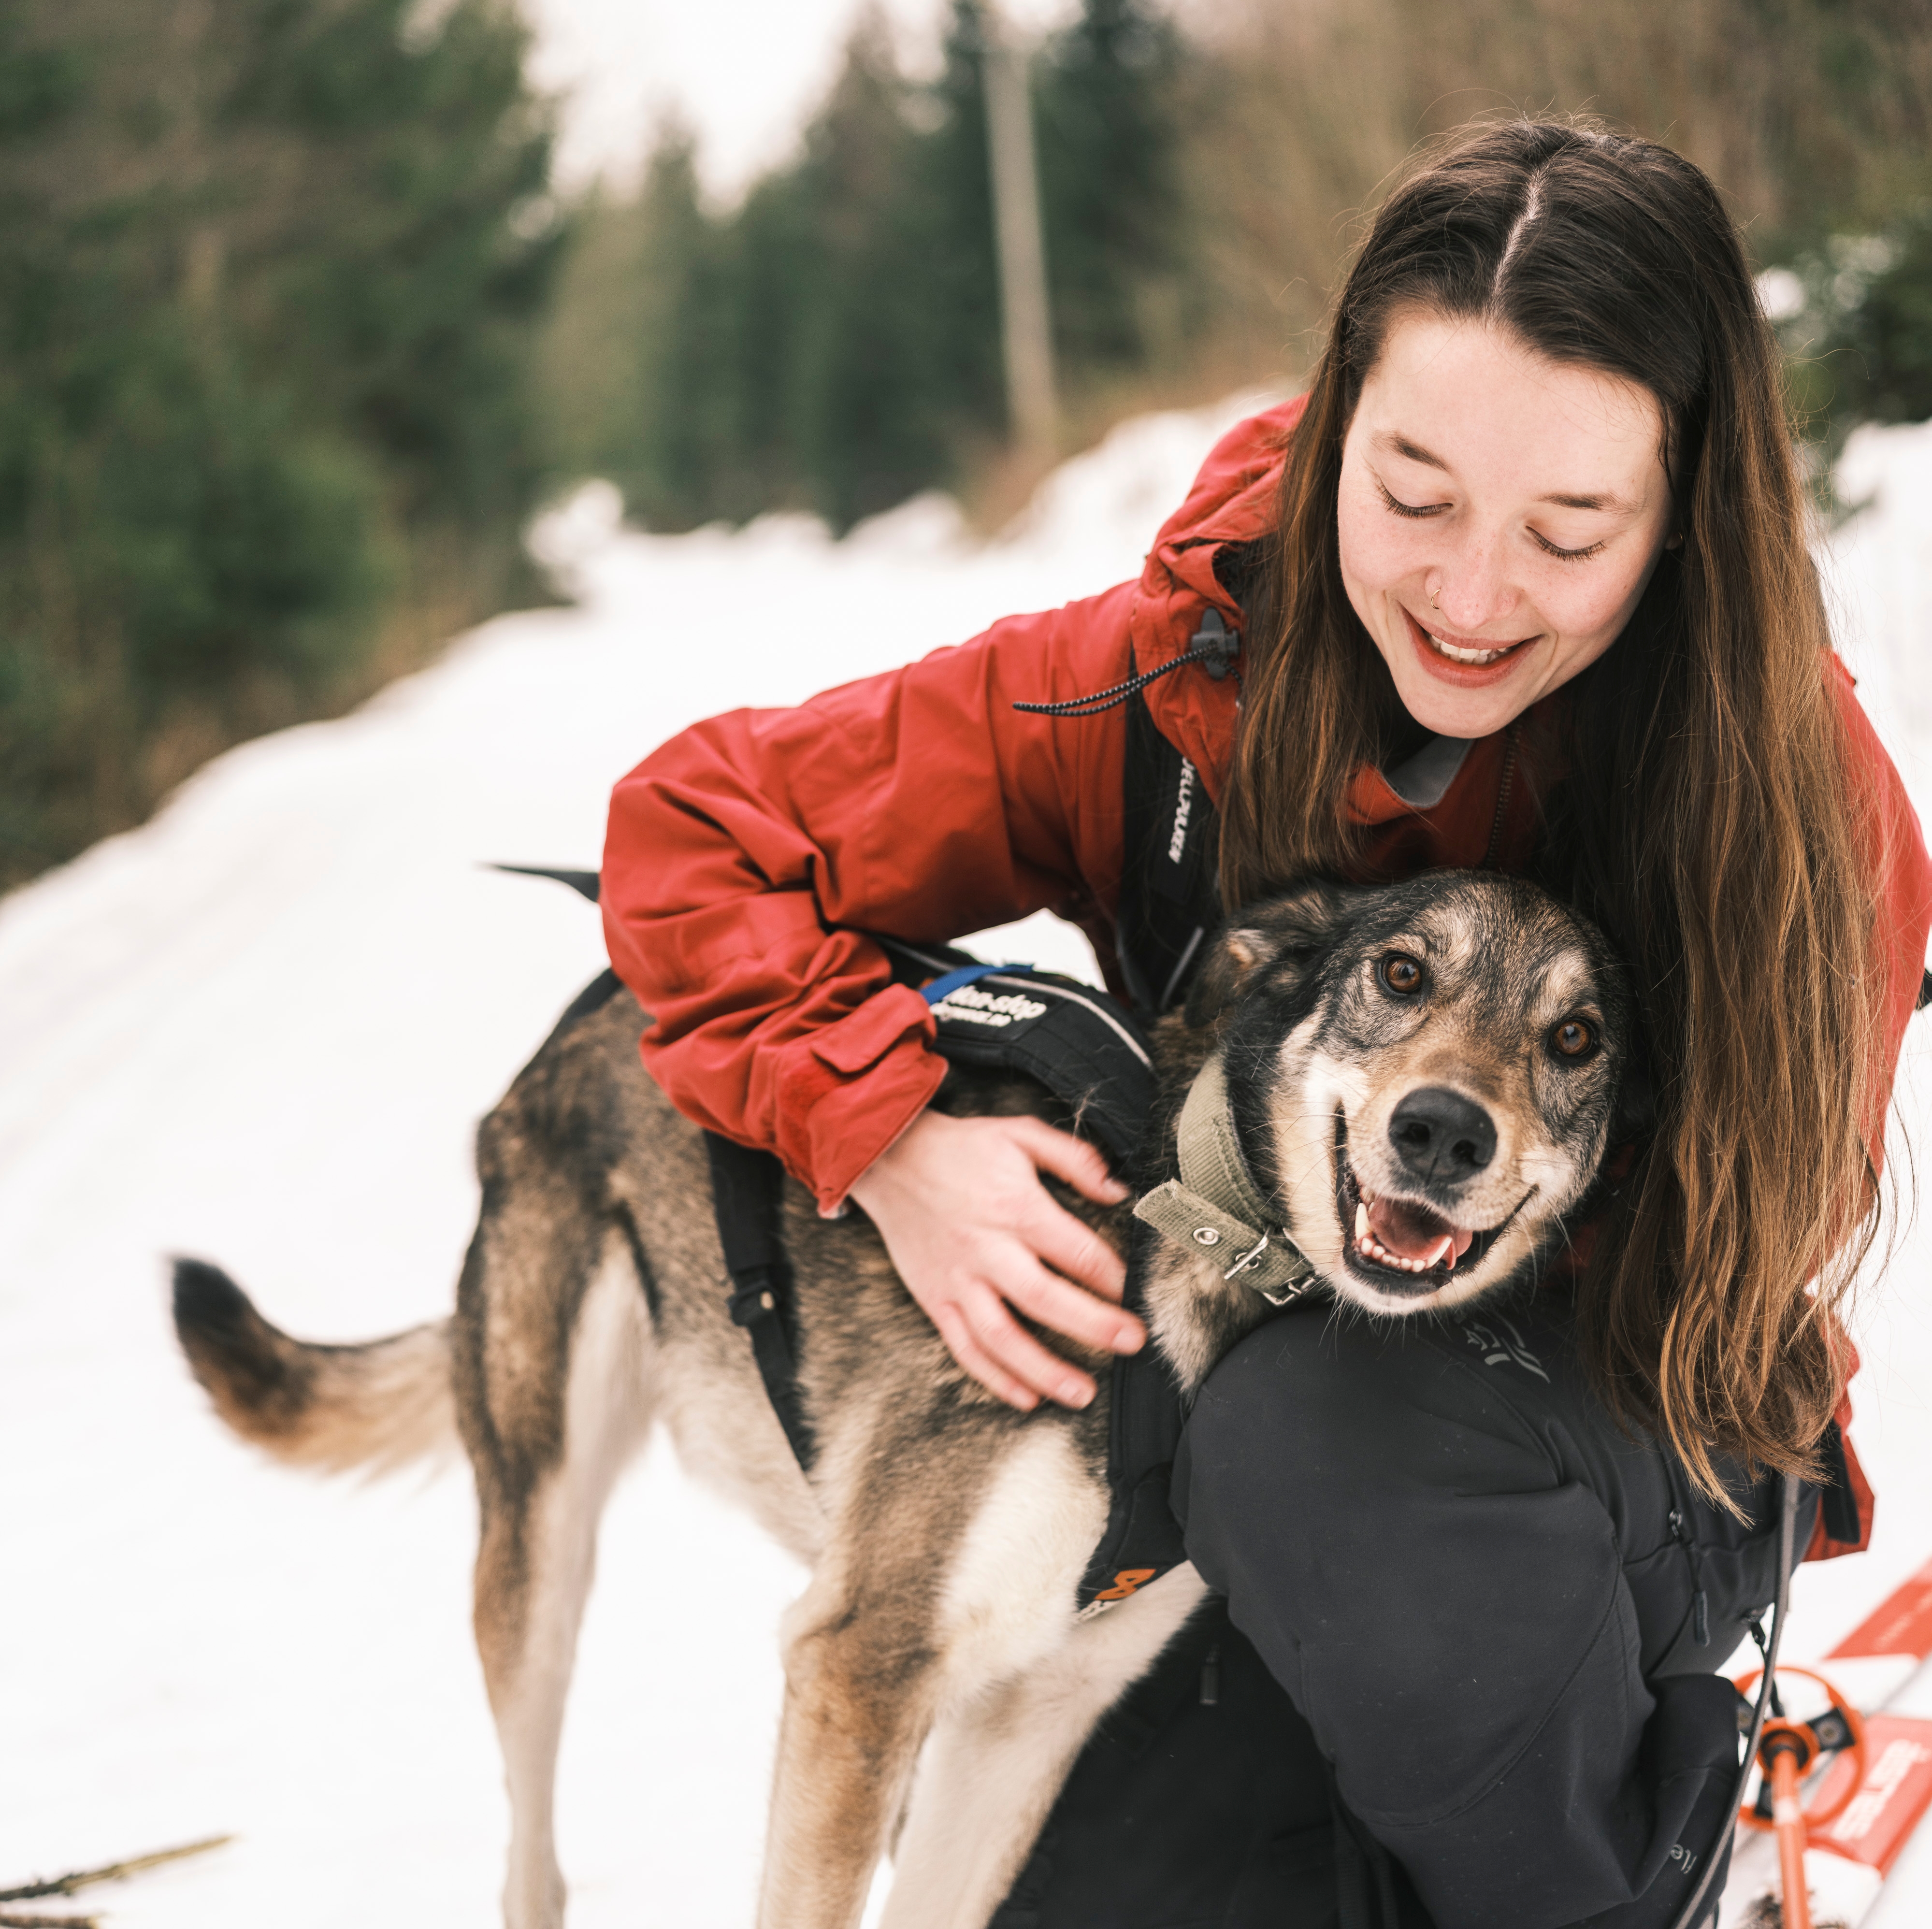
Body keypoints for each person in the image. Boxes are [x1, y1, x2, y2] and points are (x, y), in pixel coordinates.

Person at [600, 121, 1932, 1928]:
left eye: (1567, 532)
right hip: (1226, 1460)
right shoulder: (1177, 672)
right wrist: (892, 1127)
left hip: (1610, 1443)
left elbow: (1746, 1248)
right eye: (1414, 493)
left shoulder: (1800, 810)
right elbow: (700, 832)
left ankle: (1645, 1853)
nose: (1471, 598)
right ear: (1336, 427)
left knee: (1318, 1431)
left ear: (1681, 516)